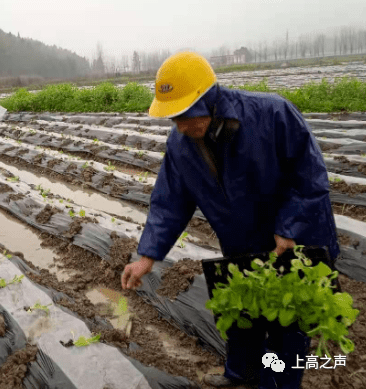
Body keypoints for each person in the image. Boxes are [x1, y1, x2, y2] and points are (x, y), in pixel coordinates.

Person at [121, 52, 339, 389]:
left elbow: (310, 177)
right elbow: (169, 202)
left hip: (296, 241)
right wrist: (146, 257)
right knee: (241, 315)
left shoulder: (272, 114)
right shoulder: (181, 144)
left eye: (185, 115)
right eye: (173, 118)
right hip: (243, 244)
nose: (180, 125)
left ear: (209, 100)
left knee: (287, 326)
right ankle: (240, 374)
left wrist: (289, 228)